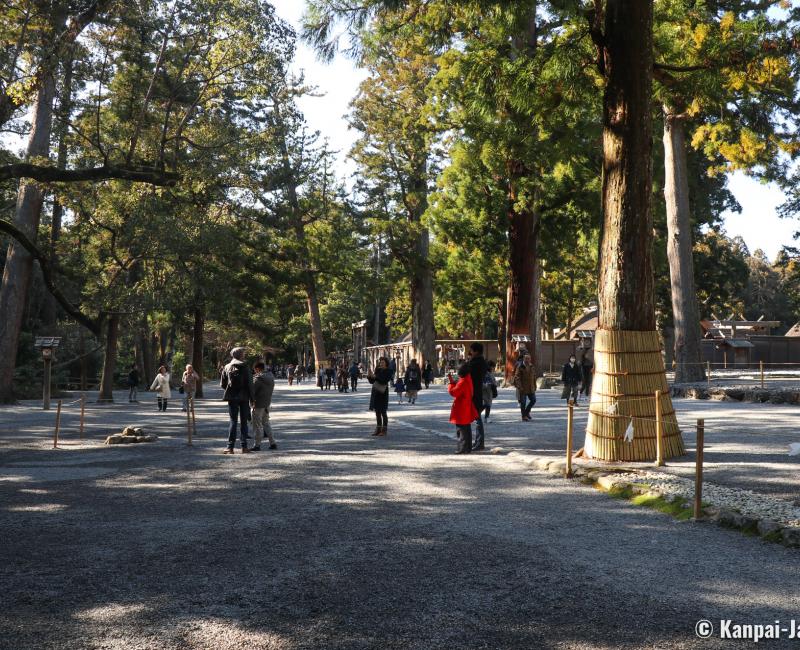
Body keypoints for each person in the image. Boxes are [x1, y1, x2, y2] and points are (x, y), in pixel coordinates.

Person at [220, 347, 254, 454]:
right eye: (243, 353)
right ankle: (244, 447)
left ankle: (230, 447)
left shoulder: (227, 366)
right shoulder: (245, 366)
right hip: (244, 397)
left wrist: (230, 390)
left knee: (233, 421)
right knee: (244, 422)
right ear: (240, 355)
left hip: (232, 397)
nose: (244, 355)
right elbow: (250, 384)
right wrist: (252, 399)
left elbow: (222, 384)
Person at [448, 363, 479, 454]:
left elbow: (454, 392)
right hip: (466, 405)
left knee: (461, 429)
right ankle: (467, 447)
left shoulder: (463, 381)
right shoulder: (468, 379)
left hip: (461, 407)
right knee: (466, 428)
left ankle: (462, 448)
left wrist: (451, 384)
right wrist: (453, 382)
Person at [250, 361, 277, 451]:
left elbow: (252, 392)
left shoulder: (258, 379)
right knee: (266, 423)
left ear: (257, 369)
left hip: (257, 404)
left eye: (255, 370)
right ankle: (272, 442)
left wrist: (251, 401)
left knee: (257, 425)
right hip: (267, 403)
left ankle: (257, 445)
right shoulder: (270, 377)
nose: (255, 372)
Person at [467, 342, 488, 451]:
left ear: (476, 351)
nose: (470, 352)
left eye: (471, 350)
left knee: (477, 419)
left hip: (474, 393)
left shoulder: (476, 363)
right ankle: (478, 442)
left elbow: (466, 373)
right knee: (477, 418)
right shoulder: (481, 361)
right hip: (477, 392)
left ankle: (479, 442)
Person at [367, 357, 392, 436]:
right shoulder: (378, 369)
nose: (381, 363)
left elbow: (384, 380)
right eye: (380, 362)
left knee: (383, 412)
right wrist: (369, 376)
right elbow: (372, 381)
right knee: (377, 411)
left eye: (383, 362)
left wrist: (375, 377)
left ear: (386, 363)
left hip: (383, 392)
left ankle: (384, 430)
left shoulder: (389, 371)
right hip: (376, 391)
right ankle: (378, 429)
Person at [513, 354, 537, 421]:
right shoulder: (520, 367)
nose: (528, 360)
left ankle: (526, 412)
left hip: (530, 387)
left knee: (533, 400)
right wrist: (519, 387)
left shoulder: (532, 366)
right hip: (523, 387)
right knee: (523, 403)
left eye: (529, 358)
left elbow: (534, 377)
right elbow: (517, 377)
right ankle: (524, 416)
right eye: (526, 358)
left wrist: (535, 386)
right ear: (524, 359)